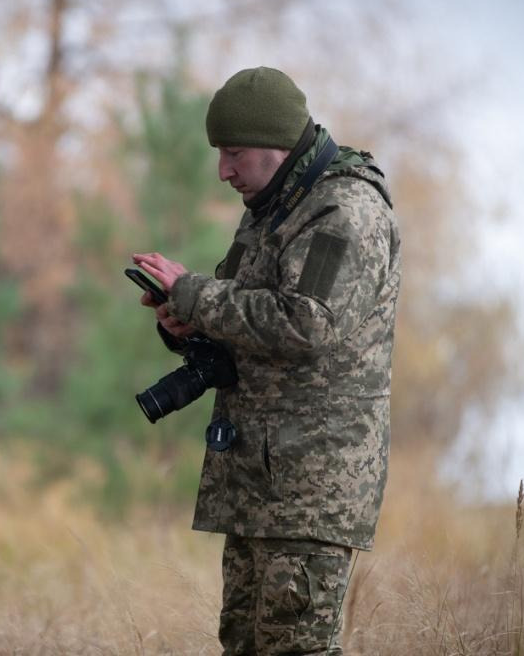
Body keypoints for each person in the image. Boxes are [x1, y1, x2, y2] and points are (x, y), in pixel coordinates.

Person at [133, 67, 401, 655]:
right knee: (246, 646)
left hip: (309, 488)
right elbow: (250, 319)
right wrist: (186, 324)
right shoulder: (275, 204)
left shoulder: (341, 212)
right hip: (260, 481)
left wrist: (195, 292)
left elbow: (308, 322)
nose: (224, 170)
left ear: (278, 146)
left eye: (234, 153)